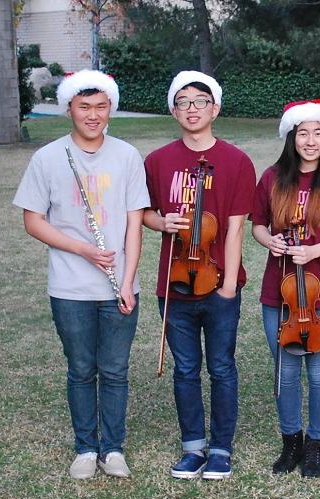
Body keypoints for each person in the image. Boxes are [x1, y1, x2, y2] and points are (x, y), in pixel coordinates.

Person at [13, 70, 149, 479]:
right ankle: (86, 448)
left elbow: (134, 224)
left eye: (101, 107)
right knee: (81, 369)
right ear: (69, 108)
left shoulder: (126, 155)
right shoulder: (48, 157)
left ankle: (113, 448)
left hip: (119, 288)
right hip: (70, 287)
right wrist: (83, 249)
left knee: (115, 371)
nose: (93, 115)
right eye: (84, 106)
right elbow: (33, 220)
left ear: (111, 109)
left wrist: (128, 281)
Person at [143, 71, 256, 480]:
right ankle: (193, 447)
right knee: (186, 368)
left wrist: (228, 285)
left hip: (220, 283)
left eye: (200, 101)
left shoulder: (237, 161)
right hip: (173, 285)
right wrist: (161, 223)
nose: (192, 109)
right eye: (183, 102)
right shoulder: (157, 161)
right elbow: (144, 213)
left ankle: (221, 448)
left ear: (215, 108)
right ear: (174, 111)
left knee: (222, 366)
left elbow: (237, 226)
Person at [250, 97, 320, 478]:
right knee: (285, 370)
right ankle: (290, 442)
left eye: (317, 133)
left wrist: (313, 250)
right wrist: (270, 242)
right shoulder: (273, 177)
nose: (310, 140)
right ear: (291, 137)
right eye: (302, 133)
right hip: (278, 291)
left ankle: (316, 444)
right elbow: (258, 223)